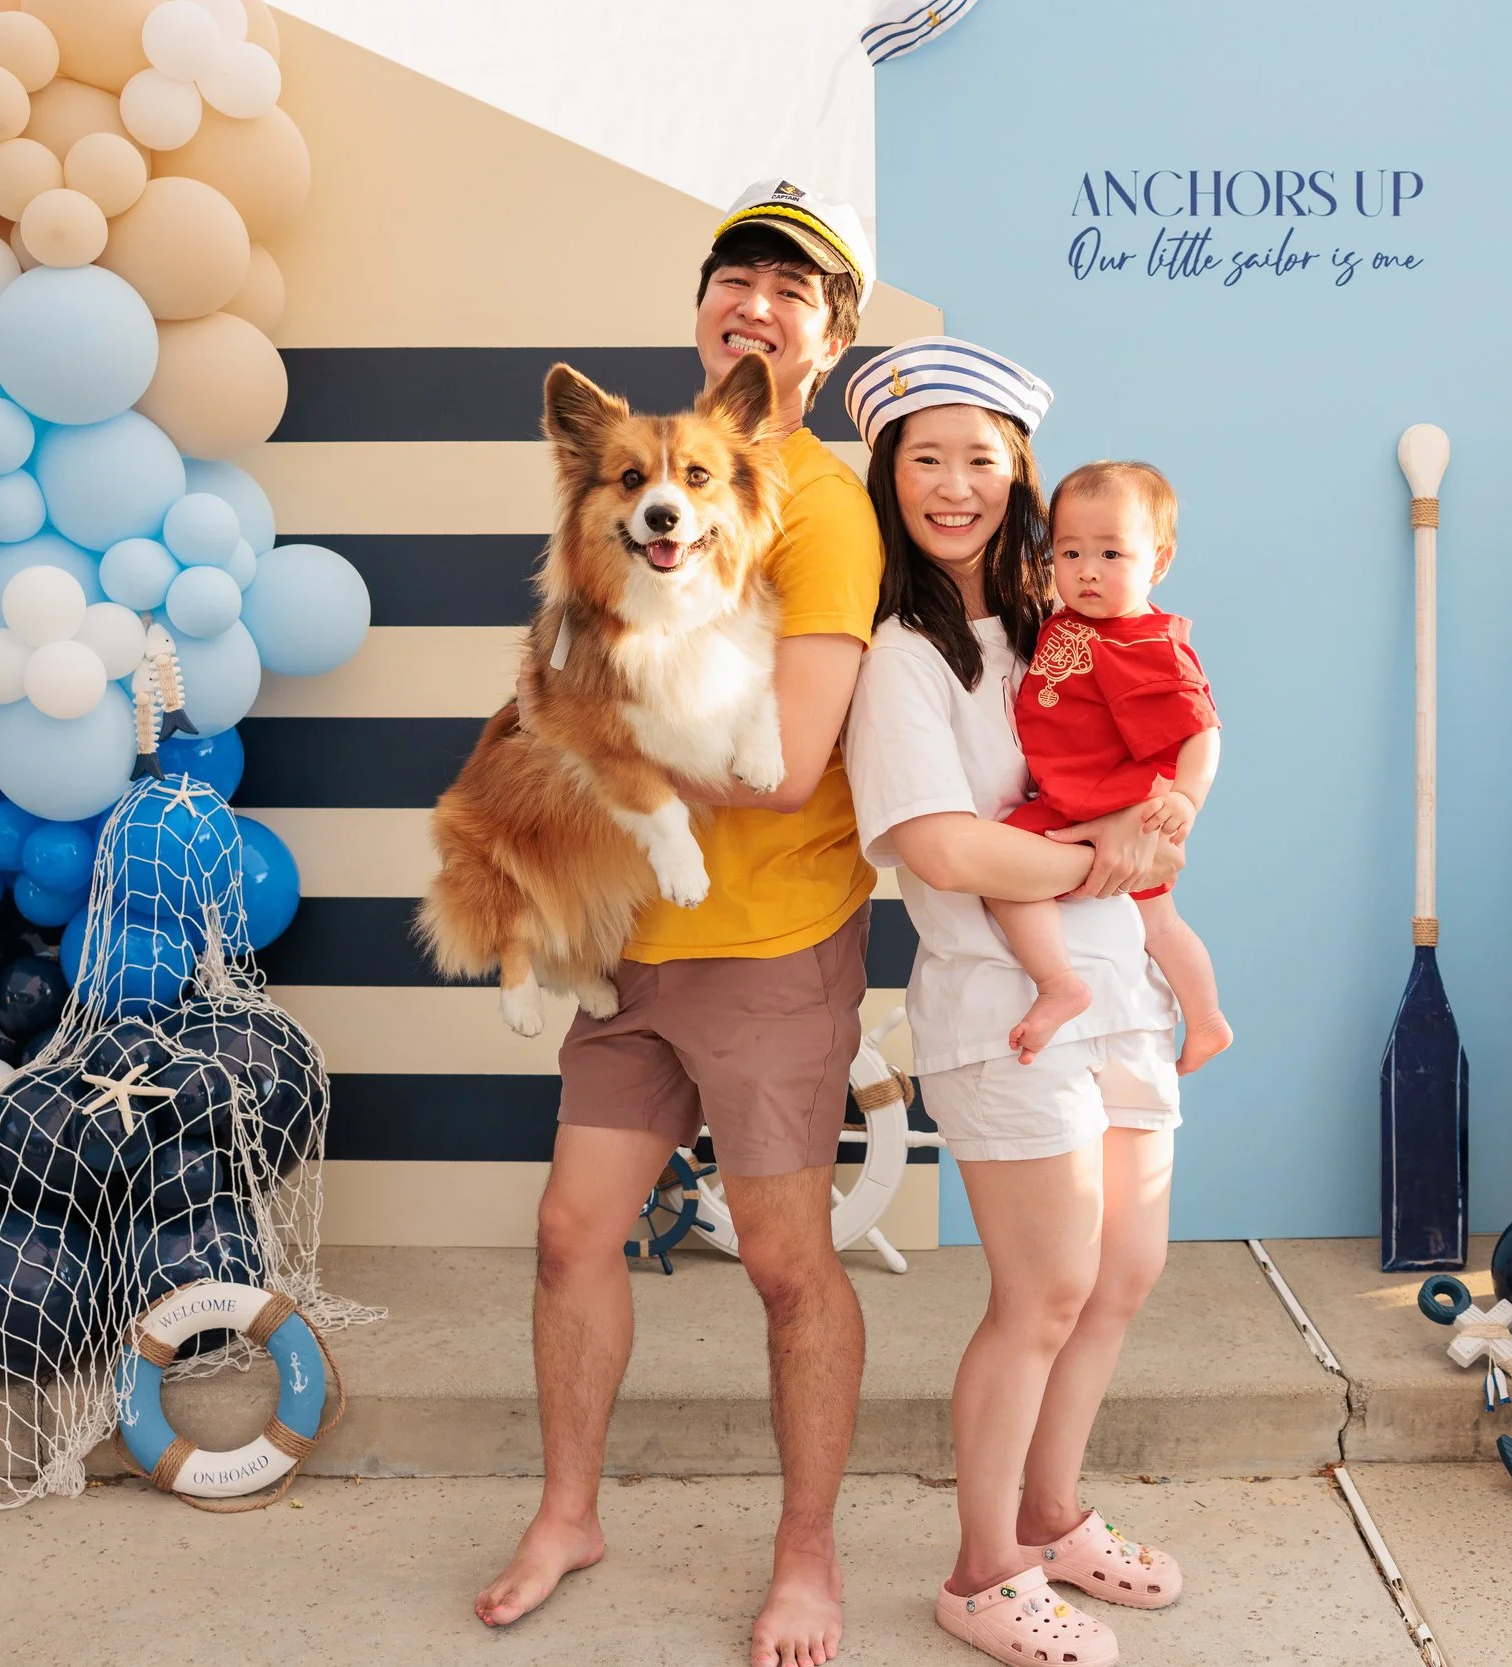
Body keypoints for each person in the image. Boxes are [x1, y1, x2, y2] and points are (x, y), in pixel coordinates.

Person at [474, 180, 884, 1667]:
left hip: (764, 944)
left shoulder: (819, 512)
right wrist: (559, 746)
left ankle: (808, 1553)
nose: (758, 303)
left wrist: (581, 750)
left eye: (794, 292)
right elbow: (568, 678)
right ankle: (569, 1507)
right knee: (572, 1229)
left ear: (823, 344)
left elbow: (781, 769)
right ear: (707, 315)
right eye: (738, 279)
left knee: (785, 1261)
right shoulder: (652, 476)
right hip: (626, 941)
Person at [841, 338, 1189, 1667]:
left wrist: (1157, 840)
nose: (953, 483)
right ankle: (983, 1571)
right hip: (1002, 1004)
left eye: (979, 457)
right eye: (925, 457)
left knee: (1122, 1272)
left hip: (1125, 986)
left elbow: (1161, 761)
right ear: (891, 477)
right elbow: (942, 847)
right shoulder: (903, 659)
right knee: (1043, 1287)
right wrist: (1107, 856)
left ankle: (1051, 1514)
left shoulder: (1073, 625)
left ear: (1021, 472)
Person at [987, 460, 1230, 1074]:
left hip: (1109, 806)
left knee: (1003, 871)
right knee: (1158, 922)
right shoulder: (1069, 618)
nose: (1088, 571)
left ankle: (1064, 983)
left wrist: (1188, 799)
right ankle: (1205, 1021)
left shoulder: (1150, 646)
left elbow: (1202, 730)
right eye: (1070, 553)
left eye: (1112, 554)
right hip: (1078, 797)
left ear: (1160, 560)